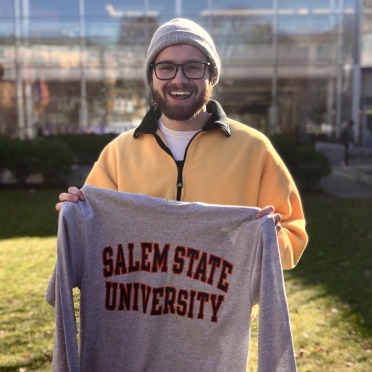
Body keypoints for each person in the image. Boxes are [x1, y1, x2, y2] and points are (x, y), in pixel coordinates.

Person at [56, 18, 308, 270]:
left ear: (211, 76)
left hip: (225, 309)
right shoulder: (118, 153)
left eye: (193, 67)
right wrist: (76, 216)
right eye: (166, 67)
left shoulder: (254, 149)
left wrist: (269, 238)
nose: (179, 79)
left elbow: (291, 239)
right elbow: (92, 239)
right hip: (136, 307)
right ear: (152, 76)